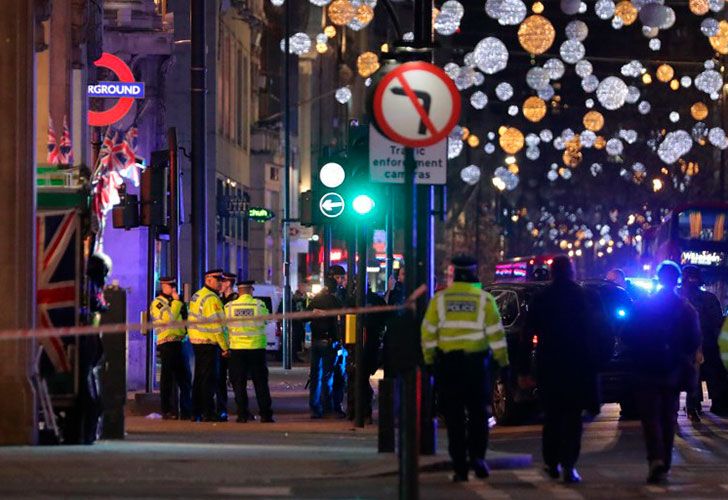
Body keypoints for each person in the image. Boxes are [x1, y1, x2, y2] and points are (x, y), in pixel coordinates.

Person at [421, 255, 509, 483]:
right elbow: (496, 335)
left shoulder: (439, 300)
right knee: (479, 415)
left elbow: (428, 333)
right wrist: (502, 362)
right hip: (476, 366)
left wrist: (430, 361)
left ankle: (460, 466)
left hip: (449, 367)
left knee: (455, 417)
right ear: (473, 273)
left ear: (453, 274)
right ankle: (478, 458)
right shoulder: (484, 300)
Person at [527, 255, 605, 484]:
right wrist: (598, 361)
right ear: (572, 272)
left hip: (550, 366)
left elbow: (527, 334)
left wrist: (523, 370)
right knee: (573, 419)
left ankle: (551, 462)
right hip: (577, 367)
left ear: (552, 273)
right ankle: (569, 465)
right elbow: (600, 331)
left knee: (552, 417)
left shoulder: (542, 298)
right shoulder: (587, 297)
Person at [625, 261, 701, 484]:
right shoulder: (686, 309)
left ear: (658, 278)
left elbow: (628, 333)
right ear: (677, 280)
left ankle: (655, 458)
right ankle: (664, 460)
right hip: (673, 369)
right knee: (669, 416)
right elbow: (694, 340)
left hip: (647, 368)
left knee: (650, 417)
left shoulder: (644, 306)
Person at [680, 265, 728, 420]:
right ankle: (716, 404)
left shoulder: (678, 296)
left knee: (693, 375)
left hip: (686, 343)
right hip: (707, 342)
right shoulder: (709, 298)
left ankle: (693, 406)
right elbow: (717, 322)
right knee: (714, 375)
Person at [225, 280, 275, 423]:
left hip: (237, 350)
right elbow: (266, 321)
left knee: (238, 383)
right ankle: (266, 415)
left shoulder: (229, 307)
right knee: (260, 383)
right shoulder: (259, 305)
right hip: (256, 349)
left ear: (238, 291)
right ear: (251, 290)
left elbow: (225, 325)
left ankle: (242, 414)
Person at [188, 269, 229, 422]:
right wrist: (225, 347)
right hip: (208, 342)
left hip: (197, 341)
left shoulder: (197, 295)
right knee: (208, 380)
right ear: (209, 279)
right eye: (218, 280)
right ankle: (208, 413)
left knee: (198, 379)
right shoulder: (212, 299)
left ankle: (196, 412)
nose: (221, 283)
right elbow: (217, 327)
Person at [149, 276, 191, 420]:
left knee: (185, 378)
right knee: (167, 380)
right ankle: (167, 410)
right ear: (163, 286)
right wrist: (177, 302)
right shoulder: (158, 303)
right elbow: (169, 319)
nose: (172, 289)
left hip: (179, 342)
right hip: (166, 343)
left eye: (173, 286)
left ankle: (185, 410)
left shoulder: (175, 302)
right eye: (169, 286)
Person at [308, 277, 344, 418]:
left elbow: (304, 316)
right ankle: (326, 406)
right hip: (329, 342)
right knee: (327, 376)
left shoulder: (315, 300)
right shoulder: (335, 301)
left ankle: (314, 408)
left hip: (316, 340)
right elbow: (340, 320)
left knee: (315, 375)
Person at [214, 272, 238, 422]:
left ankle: (242, 408)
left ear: (228, 283)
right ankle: (221, 410)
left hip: (234, 344)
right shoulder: (218, 299)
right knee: (220, 379)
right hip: (222, 344)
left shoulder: (235, 300)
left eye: (222, 282)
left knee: (236, 379)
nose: (219, 285)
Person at [291, 283, 309, 362]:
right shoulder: (296, 298)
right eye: (304, 287)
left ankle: (296, 355)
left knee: (300, 338)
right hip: (296, 322)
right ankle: (294, 356)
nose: (305, 288)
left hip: (300, 322)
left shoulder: (304, 297)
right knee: (296, 339)